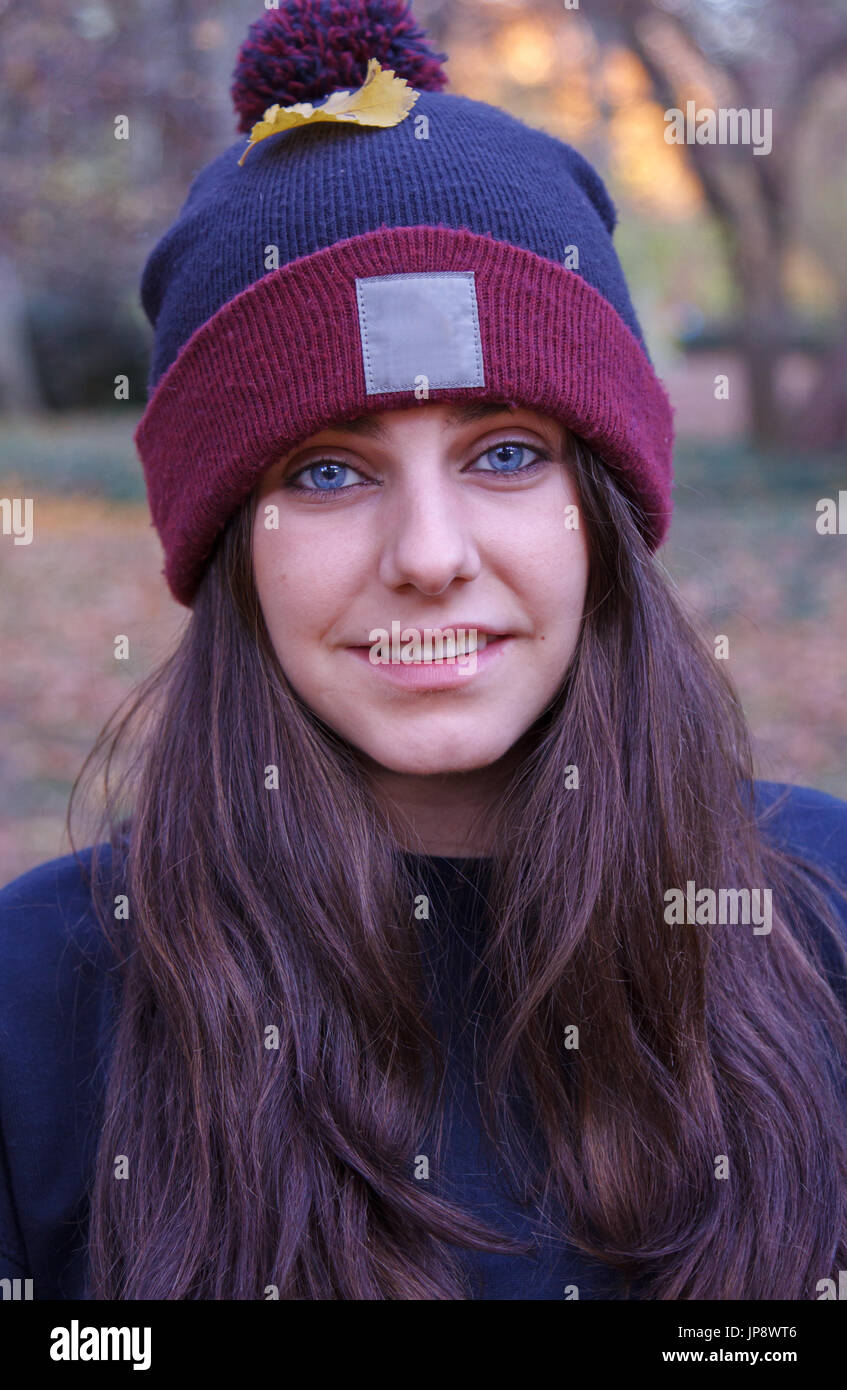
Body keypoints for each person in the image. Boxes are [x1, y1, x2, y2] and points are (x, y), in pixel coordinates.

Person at [2, 0, 846, 1302]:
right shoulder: (39, 1004)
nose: (430, 552)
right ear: (229, 545)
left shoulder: (823, 920)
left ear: (603, 515)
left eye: (504, 452)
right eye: (329, 470)